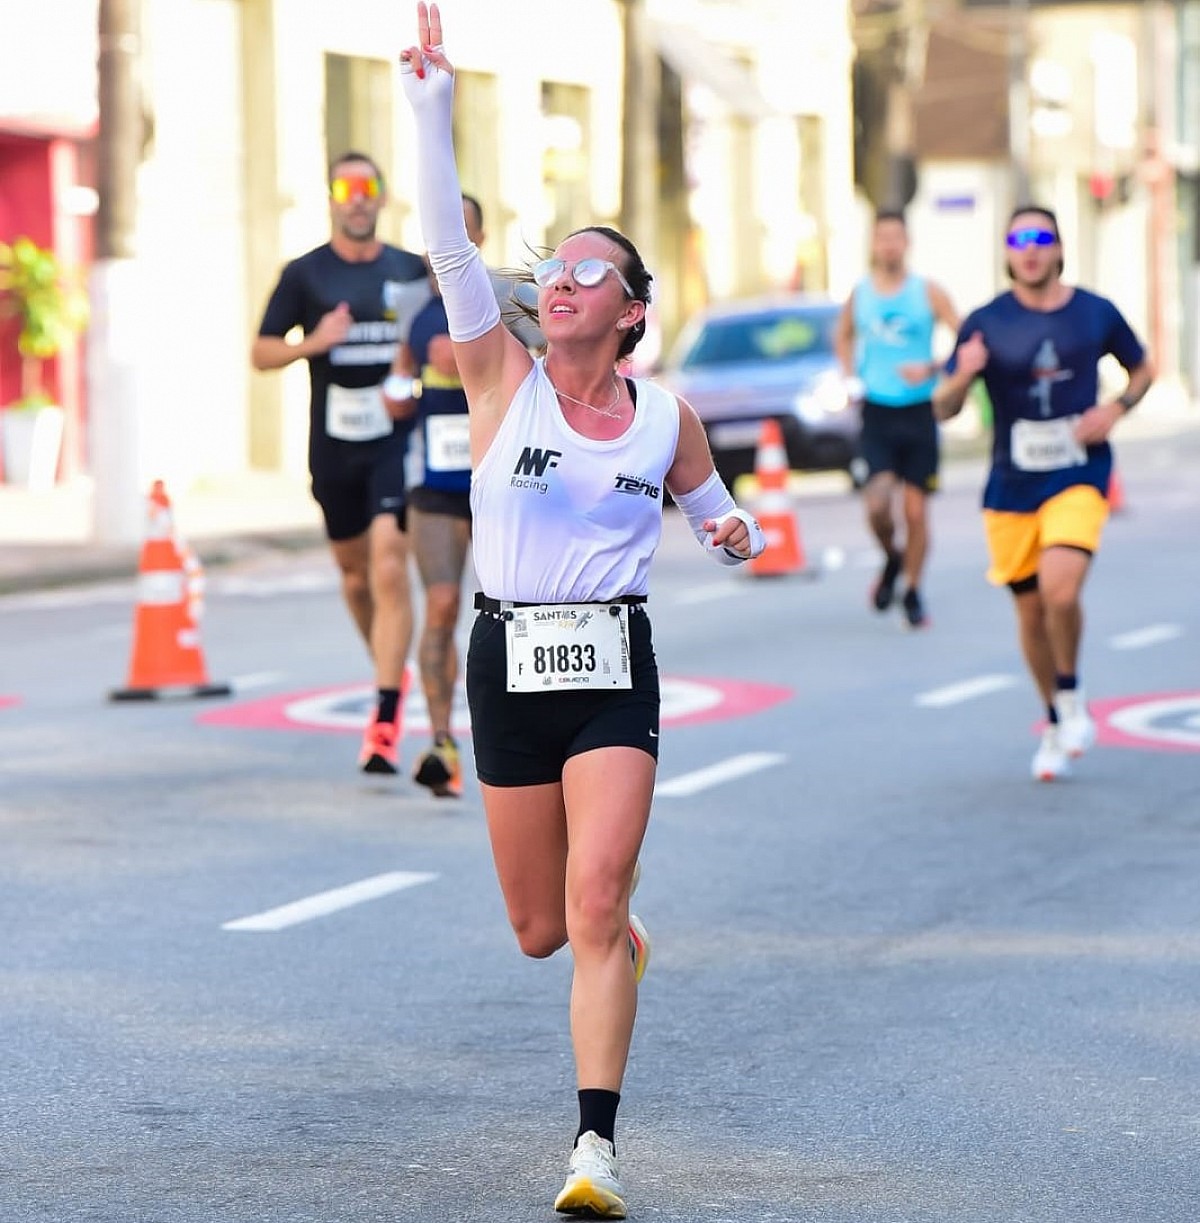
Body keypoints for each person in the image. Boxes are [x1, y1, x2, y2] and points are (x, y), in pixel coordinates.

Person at [398, 5, 765, 1216]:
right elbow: (453, 254)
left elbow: (724, 517)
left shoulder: (666, 417)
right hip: (508, 661)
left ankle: (593, 1150)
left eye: (588, 266)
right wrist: (431, 106)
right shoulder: (497, 376)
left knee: (595, 900)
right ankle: (616, 939)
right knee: (541, 929)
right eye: (552, 261)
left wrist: (727, 530)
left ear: (631, 310)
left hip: (611, 658)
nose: (559, 275)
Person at [933, 205, 1154, 781]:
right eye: (1018, 239)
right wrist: (961, 375)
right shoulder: (984, 322)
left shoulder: (1094, 312)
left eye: (1040, 238)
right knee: (1030, 613)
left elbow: (1143, 368)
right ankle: (1054, 717)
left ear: (1059, 248)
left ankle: (1074, 695)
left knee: (1060, 590)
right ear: (1007, 253)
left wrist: (1116, 408)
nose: (1029, 249)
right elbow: (944, 406)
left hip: (1079, 471)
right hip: (1011, 484)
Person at [251, 151, 430, 777]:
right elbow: (261, 351)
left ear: (383, 198)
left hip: (395, 442)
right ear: (331, 198)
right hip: (333, 448)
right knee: (356, 578)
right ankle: (389, 668)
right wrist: (313, 343)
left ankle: (383, 720)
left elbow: (442, 335)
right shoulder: (305, 275)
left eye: (368, 187)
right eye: (345, 187)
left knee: (388, 562)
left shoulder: (409, 270)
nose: (357, 198)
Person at [400, 193, 548, 799]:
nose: (446, 243)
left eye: (460, 231)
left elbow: (560, 354)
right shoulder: (406, 301)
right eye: (439, 230)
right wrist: (413, 378)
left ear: (480, 239)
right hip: (434, 481)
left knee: (518, 609)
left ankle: (533, 738)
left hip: (506, 480)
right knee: (440, 608)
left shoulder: (510, 296)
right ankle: (441, 741)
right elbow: (390, 385)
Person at [835, 209, 960, 628]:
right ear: (874, 244)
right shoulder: (862, 294)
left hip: (919, 411)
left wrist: (934, 367)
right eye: (882, 237)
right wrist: (850, 376)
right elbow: (842, 336)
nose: (889, 245)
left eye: (896, 237)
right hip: (877, 411)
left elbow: (967, 339)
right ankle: (892, 557)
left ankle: (912, 590)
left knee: (917, 512)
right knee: (877, 504)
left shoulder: (928, 292)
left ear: (907, 242)